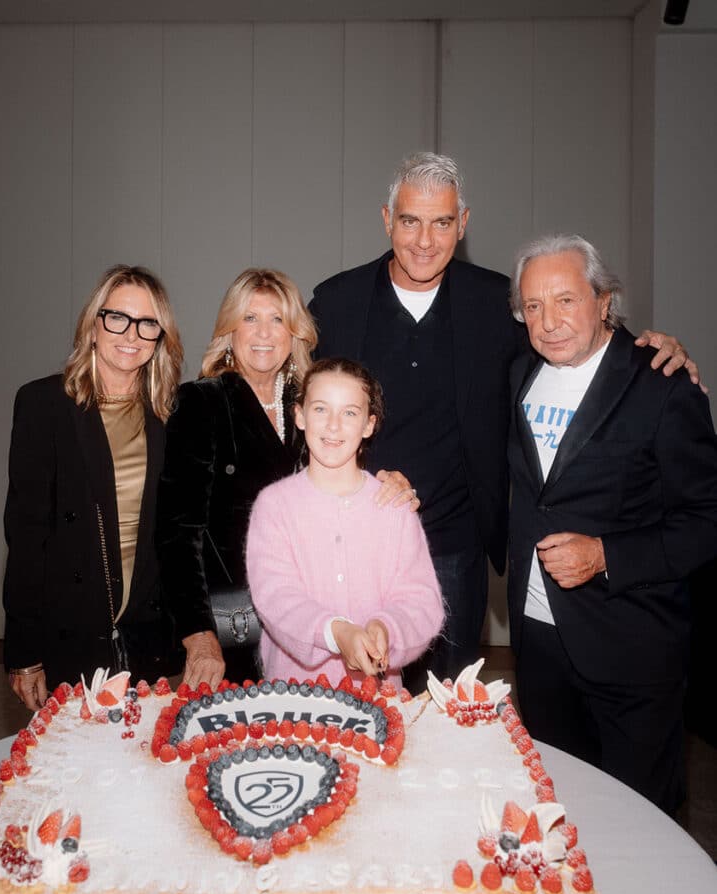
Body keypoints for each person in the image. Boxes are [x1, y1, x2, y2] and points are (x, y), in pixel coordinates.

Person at [309, 152, 697, 689]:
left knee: (450, 715)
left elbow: (573, 336)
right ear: (386, 219)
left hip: (455, 551)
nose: (425, 240)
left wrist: (650, 348)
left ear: (462, 225)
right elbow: (297, 404)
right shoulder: (336, 302)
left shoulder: (496, 301)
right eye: (410, 221)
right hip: (356, 542)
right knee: (360, 708)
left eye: (442, 222)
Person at [506, 234, 717, 815]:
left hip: (631, 643)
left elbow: (705, 521)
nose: (548, 322)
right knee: (560, 814)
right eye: (532, 306)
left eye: (566, 300)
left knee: (642, 822)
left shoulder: (663, 385)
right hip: (540, 641)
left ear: (604, 301)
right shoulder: (519, 371)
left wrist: (606, 554)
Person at [156, 269, 417, 690]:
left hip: (314, 621)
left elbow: (351, 475)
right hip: (233, 626)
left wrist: (392, 483)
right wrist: (199, 636)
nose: (264, 333)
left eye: (277, 319)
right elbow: (176, 533)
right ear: (229, 330)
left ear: (294, 331)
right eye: (250, 318)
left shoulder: (311, 403)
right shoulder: (202, 403)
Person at [4, 265, 184, 711]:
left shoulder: (169, 413)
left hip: (147, 634)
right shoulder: (44, 405)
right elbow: (27, 538)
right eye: (117, 317)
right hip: (71, 629)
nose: (132, 334)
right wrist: (25, 653)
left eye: (147, 323)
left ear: (160, 336)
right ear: (93, 324)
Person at [246, 358, 444, 688]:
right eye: (321, 409)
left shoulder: (395, 506)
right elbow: (276, 596)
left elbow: (421, 601)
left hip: (377, 700)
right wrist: (336, 632)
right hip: (295, 699)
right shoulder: (274, 505)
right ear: (300, 415)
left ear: (369, 425)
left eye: (350, 412)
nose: (333, 425)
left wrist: (386, 629)